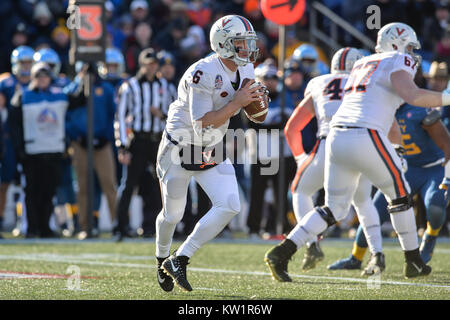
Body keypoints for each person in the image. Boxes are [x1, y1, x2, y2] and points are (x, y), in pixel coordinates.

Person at [265, 22, 448, 281]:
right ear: (396, 45)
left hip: (337, 137)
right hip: (366, 133)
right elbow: (413, 96)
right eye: (408, 46)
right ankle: (413, 260)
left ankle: (281, 252)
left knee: (334, 208)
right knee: (400, 195)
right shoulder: (396, 59)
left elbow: (384, 111)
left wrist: (395, 149)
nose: (411, 53)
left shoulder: (364, 64)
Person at [155, 15, 264, 292]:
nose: (247, 48)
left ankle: (180, 257)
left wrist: (256, 107)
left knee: (229, 204)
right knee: (172, 215)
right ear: (224, 44)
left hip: (211, 145)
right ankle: (161, 258)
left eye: (248, 42)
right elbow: (200, 122)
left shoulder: (246, 67)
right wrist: (238, 102)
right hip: (180, 146)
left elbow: (252, 112)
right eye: (241, 42)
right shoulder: (201, 73)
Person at [328, 66, 450, 270]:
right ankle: (356, 258)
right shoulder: (378, 110)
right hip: (405, 168)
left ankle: (430, 236)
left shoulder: (419, 109)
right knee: (376, 209)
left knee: (435, 205)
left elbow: (446, 144)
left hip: (432, 168)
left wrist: (447, 175)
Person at [284, 47, 388, 272]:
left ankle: (311, 243)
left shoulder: (319, 83)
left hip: (328, 144)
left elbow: (292, 128)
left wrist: (301, 158)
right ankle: (377, 254)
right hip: (360, 144)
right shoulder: (367, 85)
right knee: (363, 201)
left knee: (300, 191)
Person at [9, 62, 68, 238]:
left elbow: (78, 98)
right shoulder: (22, 96)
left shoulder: (59, 95)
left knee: (48, 192)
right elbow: (14, 125)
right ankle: (32, 228)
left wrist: (84, 77)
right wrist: (19, 148)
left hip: (53, 150)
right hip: (32, 152)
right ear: (33, 78)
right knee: (32, 192)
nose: (43, 80)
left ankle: (45, 227)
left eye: (45, 77)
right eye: (39, 77)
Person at [116, 47, 168, 240]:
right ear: (142, 65)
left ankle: (152, 227)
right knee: (129, 184)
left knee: (159, 185)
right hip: (137, 139)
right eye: (148, 64)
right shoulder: (130, 86)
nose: (152, 67)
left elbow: (173, 114)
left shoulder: (164, 85)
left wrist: (161, 115)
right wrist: (122, 145)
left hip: (157, 140)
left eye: (154, 64)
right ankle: (121, 226)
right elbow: (120, 117)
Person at [65, 63, 117, 240]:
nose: (89, 75)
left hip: (102, 144)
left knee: (109, 183)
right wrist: (75, 135)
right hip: (80, 143)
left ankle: (117, 223)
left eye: (91, 71)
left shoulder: (106, 89)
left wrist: (106, 137)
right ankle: (85, 226)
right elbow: (66, 116)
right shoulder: (72, 89)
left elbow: (113, 116)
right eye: (85, 71)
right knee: (83, 186)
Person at [246, 62, 295, 238]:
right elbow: (252, 124)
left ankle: (277, 227)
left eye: (274, 77)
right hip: (260, 153)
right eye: (266, 77)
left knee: (280, 194)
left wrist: (274, 125)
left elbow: (289, 121)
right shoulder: (252, 97)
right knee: (257, 193)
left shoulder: (285, 97)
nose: (270, 81)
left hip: (281, 154)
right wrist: (274, 126)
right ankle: (253, 228)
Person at [0, 45, 34, 237]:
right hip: (7, 139)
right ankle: (2, 220)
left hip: (30, 138)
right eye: (23, 63)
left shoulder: (38, 82)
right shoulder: (6, 83)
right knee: (4, 183)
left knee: (29, 183)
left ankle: (28, 222)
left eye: (29, 63)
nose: (26, 67)